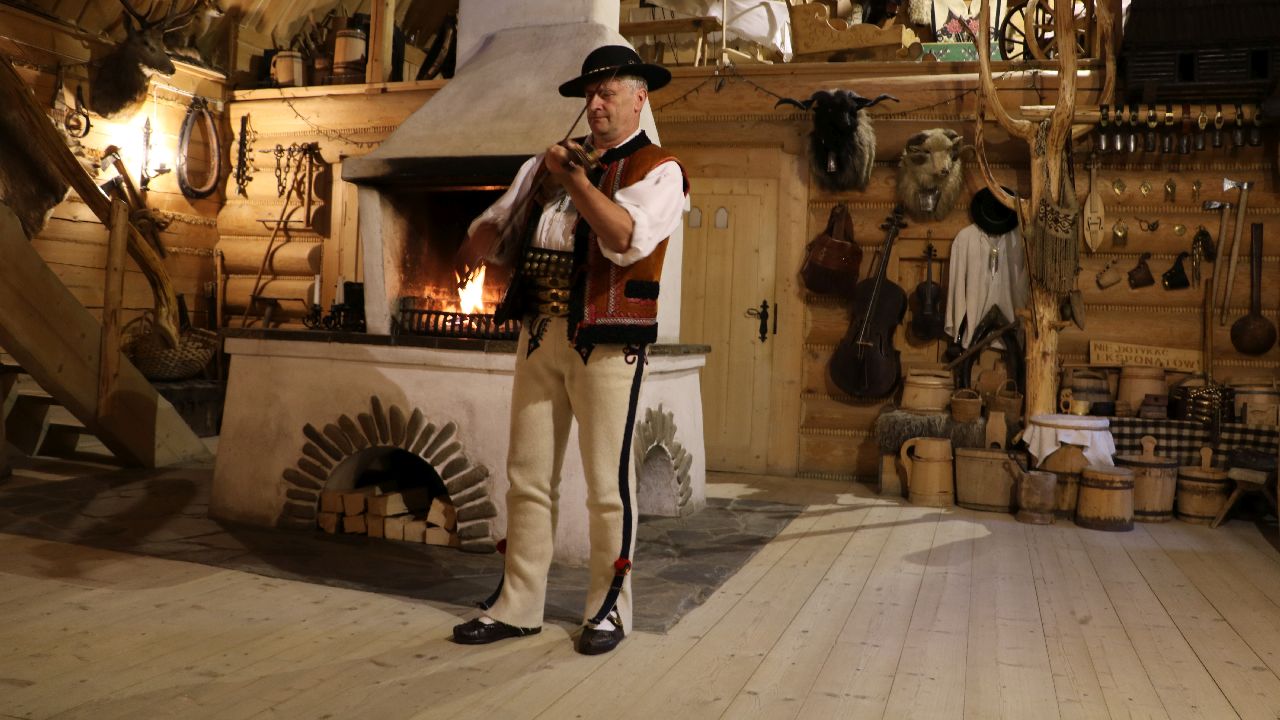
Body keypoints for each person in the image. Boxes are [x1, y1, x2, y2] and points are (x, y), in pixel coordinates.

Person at [450, 45, 687, 656]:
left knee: (608, 486)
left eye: (609, 92)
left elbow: (623, 237)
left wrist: (574, 179)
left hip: (608, 342)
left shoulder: (660, 169)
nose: (596, 104)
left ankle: (609, 609)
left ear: (639, 98)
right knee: (527, 476)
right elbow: (501, 225)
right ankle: (518, 603)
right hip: (539, 333)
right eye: (590, 93)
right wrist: (482, 237)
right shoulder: (546, 163)